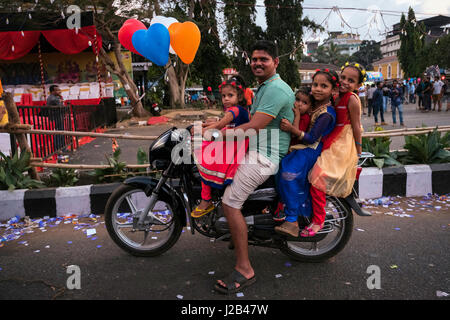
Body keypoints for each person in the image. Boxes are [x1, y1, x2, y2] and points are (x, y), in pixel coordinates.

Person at [214, 40, 294, 294]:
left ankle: (245, 268)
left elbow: (254, 126)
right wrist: (216, 124)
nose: (258, 63)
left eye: (264, 59)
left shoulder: (275, 89)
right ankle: (236, 233)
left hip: (265, 155)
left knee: (230, 202)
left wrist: (219, 134)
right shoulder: (263, 87)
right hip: (255, 148)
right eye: (255, 59)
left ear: (276, 62)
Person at [274, 71, 337, 238]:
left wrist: (292, 129)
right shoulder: (314, 106)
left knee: (289, 174)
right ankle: (281, 206)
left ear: (332, 89)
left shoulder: (326, 114)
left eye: (324, 86)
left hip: (311, 149)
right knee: (280, 169)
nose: (318, 89)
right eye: (315, 84)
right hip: (303, 148)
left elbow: (311, 138)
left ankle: (293, 218)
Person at [307, 62, 364, 237]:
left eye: (351, 80)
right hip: (329, 136)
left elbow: (356, 126)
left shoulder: (352, 99)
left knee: (317, 178)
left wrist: (358, 150)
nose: (346, 82)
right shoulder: (335, 94)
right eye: (343, 77)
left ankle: (319, 219)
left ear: (358, 85)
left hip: (341, 143)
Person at [191, 76, 250, 218]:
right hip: (231, 142)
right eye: (224, 96)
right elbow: (219, 123)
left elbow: (219, 125)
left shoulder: (236, 110)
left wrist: (201, 131)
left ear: (239, 96)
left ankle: (206, 200)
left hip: (232, 146)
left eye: (230, 95)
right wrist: (202, 126)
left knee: (205, 158)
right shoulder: (237, 110)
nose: (226, 99)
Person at [45, 85, 65, 150]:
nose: (59, 91)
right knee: (58, 133)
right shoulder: (53, 98)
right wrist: (60, 100)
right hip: (55, 117)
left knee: (61, 132)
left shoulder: (55, 98)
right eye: (57, 90)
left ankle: (62, 147)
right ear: (52, 91)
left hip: (58, 116)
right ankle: (58, 148)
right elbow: (61, 105)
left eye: (59, 90)